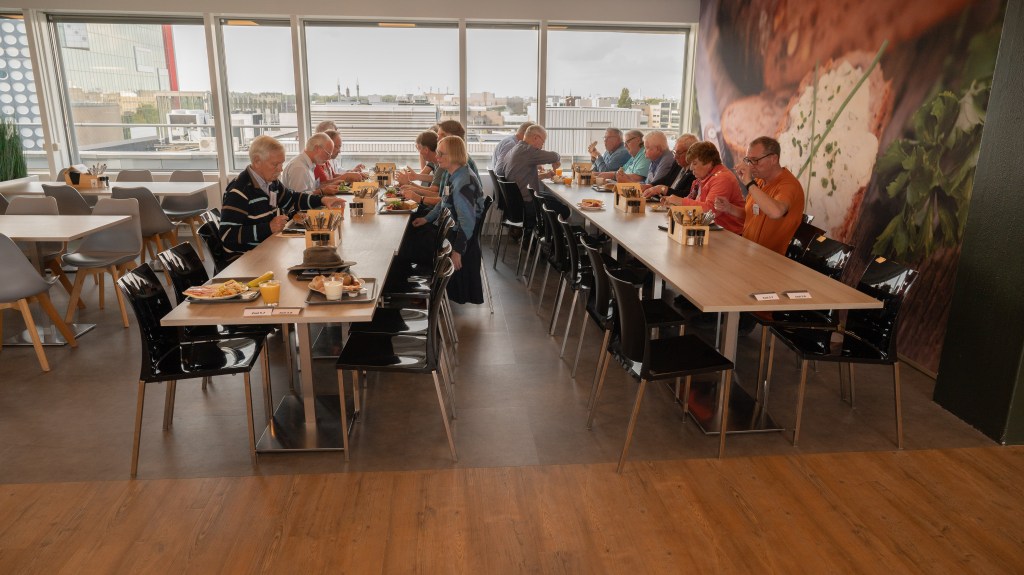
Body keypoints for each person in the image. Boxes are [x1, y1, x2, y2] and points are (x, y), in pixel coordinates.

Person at [220, 135, 345, 261]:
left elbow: (292, 199)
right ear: (257, 162)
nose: (280, 169)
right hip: (245, 259)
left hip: (268, 248)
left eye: (282, 163)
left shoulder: (271, 183)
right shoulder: (239, 190)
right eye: (275, 164)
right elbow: (227, 234)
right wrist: (269, 227)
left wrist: (322, 200)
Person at [412, 135, 486, 304]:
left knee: (409, 246)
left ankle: (420, 294)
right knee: (413, 233)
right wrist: (427, 219)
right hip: (452, 231)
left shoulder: (463, 183)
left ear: (454, 155)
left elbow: (467, 223)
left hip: (460, 238)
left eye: (441, 154)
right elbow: (443, 201)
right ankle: (420, 292)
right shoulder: (452, 174)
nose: (437, 157)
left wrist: (457, 251)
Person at [715, 136, 805, 254]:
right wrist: (729, 208)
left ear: (773, 159)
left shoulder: (788, 184)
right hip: (748, 250)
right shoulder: (759, 181)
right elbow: (752, 215)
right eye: (748, 161)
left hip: (771, 258)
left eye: (755, 160)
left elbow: (776, 212)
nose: (750, 166)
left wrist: (749, 183)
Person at [662, 140, 745, 234]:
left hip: (728, 234)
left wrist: (680, 201)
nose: (691, 168)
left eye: (694, 163)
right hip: (709, 230)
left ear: (708, 162)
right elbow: (693, 202)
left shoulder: (722, 178)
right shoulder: (703, 177)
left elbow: (711, 211)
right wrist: (674, 204)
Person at [502, 124, 561, 220]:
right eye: (542, 142)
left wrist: (545, 175)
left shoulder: (515, 149)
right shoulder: (527, 151)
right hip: (527, 203)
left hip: (517, 202)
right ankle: (547, 229)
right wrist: (557, 158)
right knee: (563, 210)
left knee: (553, 199)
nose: (541, 147)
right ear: (536, 138)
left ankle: (546, 228)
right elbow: (554, 156)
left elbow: (522, 177)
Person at [643, 133, 699, 200]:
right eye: (675, 152)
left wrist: (662, 189)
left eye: (679, 153)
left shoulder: (695, 171)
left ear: (690, 153)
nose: (675, 157)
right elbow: (667, 179)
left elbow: (686, 195)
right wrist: (650, 186)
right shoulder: (678, 164)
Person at [397, 131, 445, 206]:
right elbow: (434, 178)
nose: (419, 153)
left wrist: (412, 186)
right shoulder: (435, 162)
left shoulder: (441, 165)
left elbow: (435, 191)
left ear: (426, 150)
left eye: (419, 149)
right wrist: (414, 179)